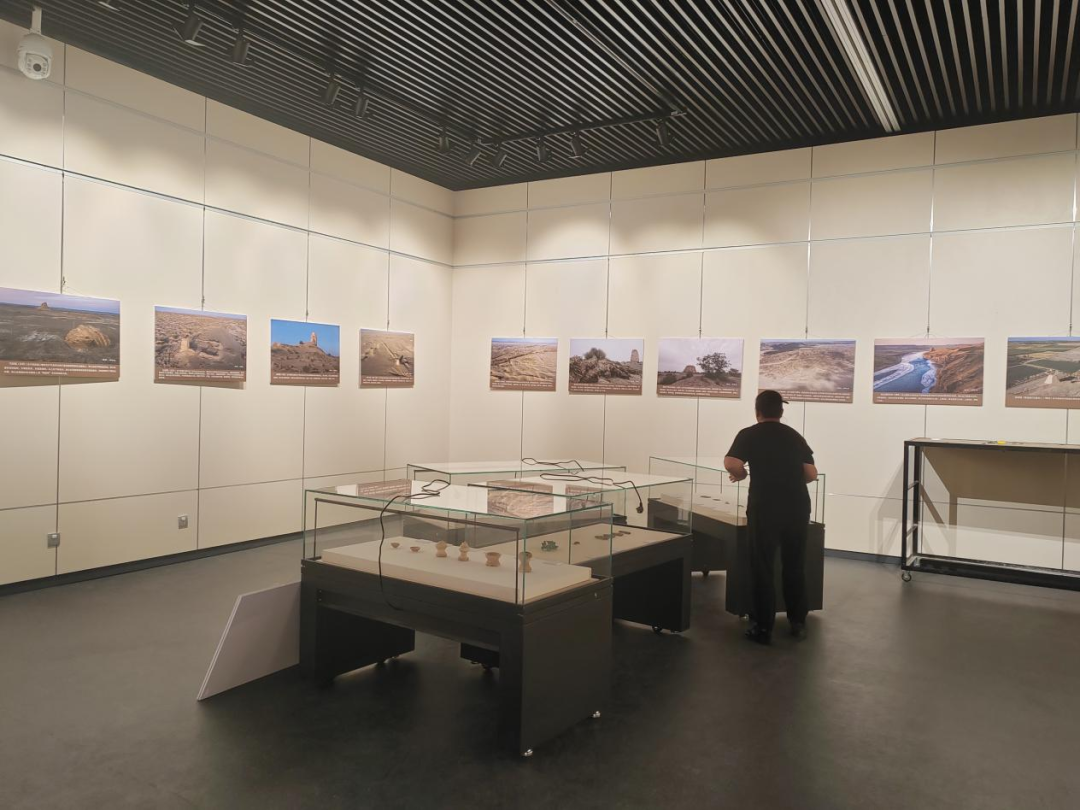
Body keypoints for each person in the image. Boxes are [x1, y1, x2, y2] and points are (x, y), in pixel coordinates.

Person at [724, 390, 818, 645]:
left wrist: (742, 474)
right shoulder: (794, 436)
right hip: (797, 507)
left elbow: (732, 463)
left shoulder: (749, 434)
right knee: (794, 564)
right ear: (781, 411)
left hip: (765, 508)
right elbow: (811, 473)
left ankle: (763, 627)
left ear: (758, 412)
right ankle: (797, 623)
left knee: (762, 566)